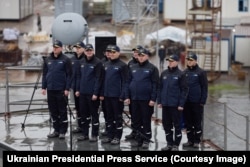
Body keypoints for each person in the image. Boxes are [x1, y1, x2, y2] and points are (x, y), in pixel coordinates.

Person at [125, 47, 159, 149]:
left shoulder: (152, 68)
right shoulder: (133, 67)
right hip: (134, 99)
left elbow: (155, 85)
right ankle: (139, 139)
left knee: (146, 120)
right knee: (136, 120)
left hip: (146, 100)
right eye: (139, 55)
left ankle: (146, 139)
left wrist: (153, 99)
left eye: (143, 55)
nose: (140, 57)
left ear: (147, 56)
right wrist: (127, 96)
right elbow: (127, 82)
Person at [41, 40, 72, 139]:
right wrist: (43, 87)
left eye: (57, 47)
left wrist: (67, 88)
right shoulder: (48, 60)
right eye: (54, 47)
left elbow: (69, 75)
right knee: (53, 111)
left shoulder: (66, 60)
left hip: (61, 90)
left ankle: (63, 131)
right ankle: (56, 130)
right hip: (51, 89)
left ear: (61, 48)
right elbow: (45, 74)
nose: (55, 49)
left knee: (62, 111)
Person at [157, 54, 188, 151]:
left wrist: (181, 104)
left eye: (172, 61)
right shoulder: (164, 73)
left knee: (177, 125)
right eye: (169, 61)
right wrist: (160, 101)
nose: (170, 63)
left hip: (175, 105)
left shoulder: (181, 74)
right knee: (167, 125)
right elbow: (160, 88)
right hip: (165, 104)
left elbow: (184, 90)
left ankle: (176, 145)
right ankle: (169, 143)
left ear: (176, 62)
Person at [100, 45, 128, 145]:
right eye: (110, 52)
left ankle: (117, 136)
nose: (111, 54)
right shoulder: (106, 64)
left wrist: (123, 95)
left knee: (117, 118)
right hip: (107, 96)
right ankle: (110, 135)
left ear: (118, 53)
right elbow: (103, 81)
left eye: (114, 52)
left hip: (117, 97)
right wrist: (102, 93)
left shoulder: (123, 66)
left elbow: (125, 82)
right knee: (109, 117)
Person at [75, 44, 103, 142]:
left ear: (93, 51)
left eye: (90, 50)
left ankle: (94, 134)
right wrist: (77, 89)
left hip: (92, 94)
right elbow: (79, 77)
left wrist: (96, 93)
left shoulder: (98, 63)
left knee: (94, 115)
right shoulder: (81, 62)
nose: (89, 52)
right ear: (85, 51)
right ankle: (84, 134)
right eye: (87, 50)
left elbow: (98, 79)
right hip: (82, 93)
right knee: (84, 115)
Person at [182, 53, 208, 148]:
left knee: (197, 122)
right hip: (186, 102)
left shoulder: (201, 72)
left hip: (197, 102)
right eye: (188, 60)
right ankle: (190, 140)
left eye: (191, 60)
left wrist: (203, 101)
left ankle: (197, 141)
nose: (189, 61)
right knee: (188, 122)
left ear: (196, 61)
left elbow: (204, 87)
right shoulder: (184, 72)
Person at [125, 45, 143, 140]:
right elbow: (128, 79)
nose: (135, 54)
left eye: (137, 52)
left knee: (141, 114)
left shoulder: (145, 64)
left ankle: (141, 132)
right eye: (134, 52)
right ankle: (134, 131)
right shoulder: (130, 63)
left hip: (142, 95)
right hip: (132, 94)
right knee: (133, 114)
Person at [70, 41, 85, 133]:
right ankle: (79, 125)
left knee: (84, 108)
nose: (78, 49)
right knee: (78, 107)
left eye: (79, 48)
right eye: (76, 48)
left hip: (84, 88)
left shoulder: (85, 59)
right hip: (75, 87)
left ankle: (85, 126)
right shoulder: (72, 59)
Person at [99, 45, 112, 136]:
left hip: (113, 93)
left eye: (109, 52)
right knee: (106, 112)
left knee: (113, 114)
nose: (108, 53)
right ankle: (108, 129)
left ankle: (113, 131)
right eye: (106, 52)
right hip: (104, 92)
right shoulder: (102, 62)